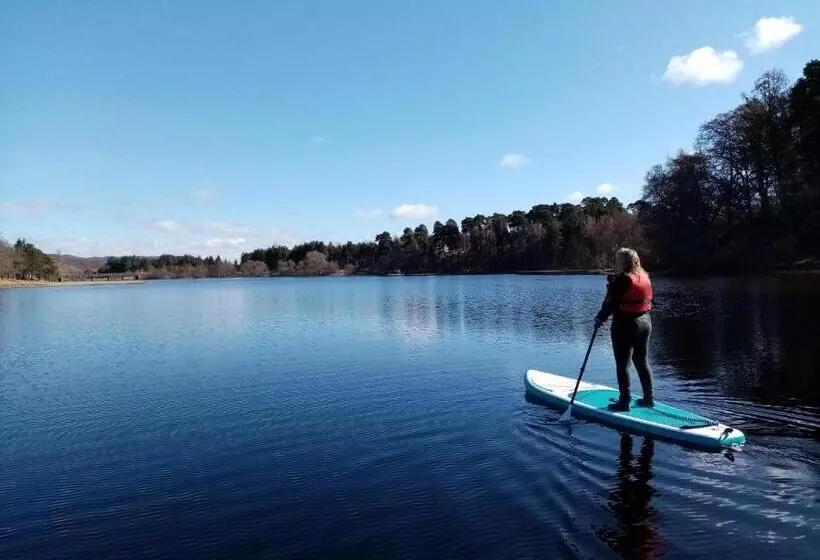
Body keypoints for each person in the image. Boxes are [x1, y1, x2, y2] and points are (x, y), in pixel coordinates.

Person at [594, 247, 654, 411]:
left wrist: (600, 318)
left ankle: (624, 402)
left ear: (623, 262)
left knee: (623, 364)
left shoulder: (623, 279)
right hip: (645, 322)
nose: (615, 262)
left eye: (617, 259)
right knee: (641, 361)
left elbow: (611, 304)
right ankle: (649, 398)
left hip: (626, 324)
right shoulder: (644, 276)